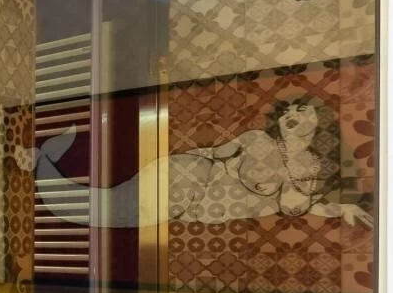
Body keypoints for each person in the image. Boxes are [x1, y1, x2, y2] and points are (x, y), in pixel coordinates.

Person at [35, 93, 370, 228]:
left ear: (320, 119)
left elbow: (305, 204)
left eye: (302, 109)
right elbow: (212, 154)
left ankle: (43, 158)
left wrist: (343, 208)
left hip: (188, 205)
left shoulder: (313, 168)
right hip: (182, 180)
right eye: (287, 110)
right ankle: (44, 159)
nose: (290, 115)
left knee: (98, 212)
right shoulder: (257, 139)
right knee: (97, 210)